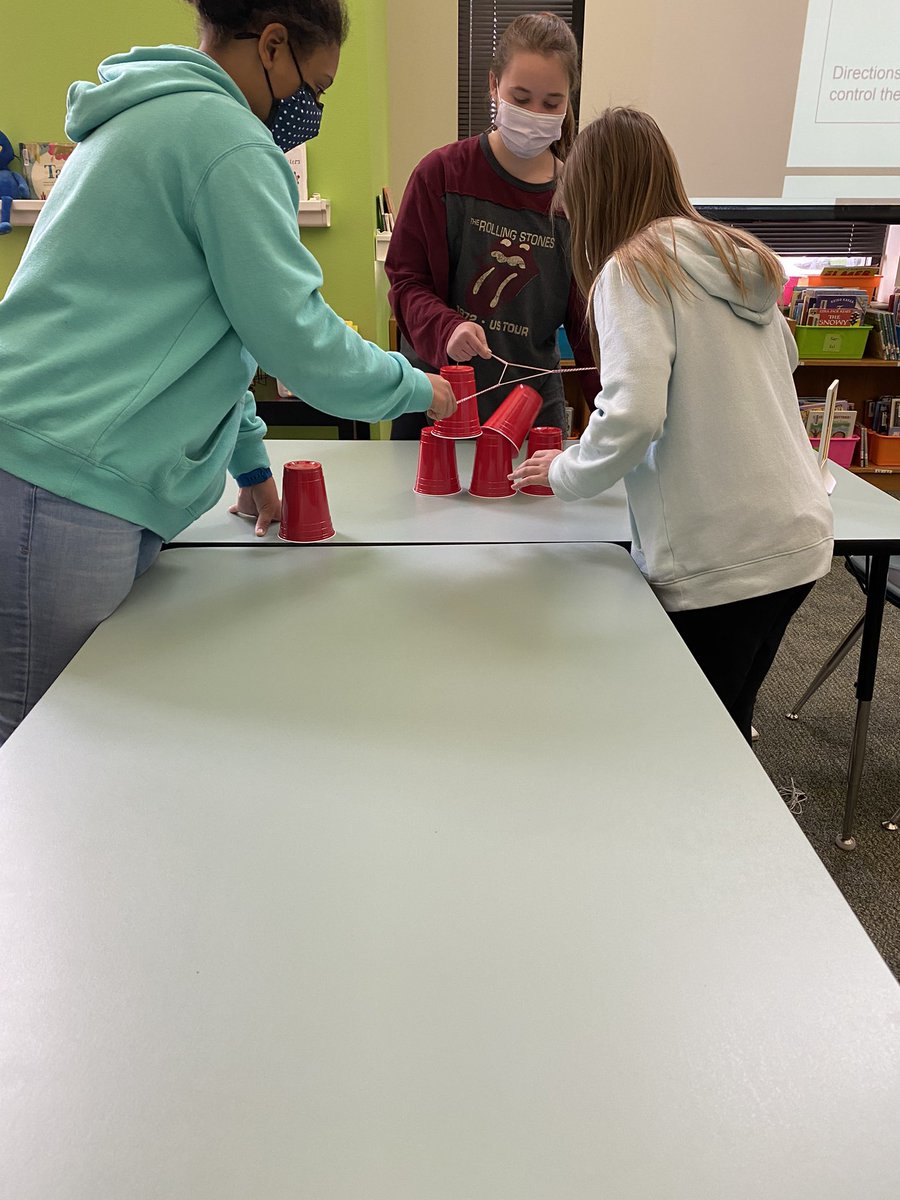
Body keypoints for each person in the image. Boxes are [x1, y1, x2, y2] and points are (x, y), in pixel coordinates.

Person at [0, 0, 456, 749]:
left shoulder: (143, 115)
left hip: (47, 457)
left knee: (68, 739)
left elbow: (204, 324)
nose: (314, 112)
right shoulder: (230, 143)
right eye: (319, 88)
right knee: (44, 748)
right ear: (272, 46)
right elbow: (295, 340)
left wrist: (248, 461)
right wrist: (416, 385)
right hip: (64, 480)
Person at [512, 107, 834, 743]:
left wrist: (566, 471)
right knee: (726, 727)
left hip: (723, 557)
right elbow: (788, 361)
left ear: (596, 195)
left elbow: (634, 413)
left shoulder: (633, 269)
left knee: (686, 740)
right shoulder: (730, 256)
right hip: (798, 538)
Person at [384, 10, 598, 440]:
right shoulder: (442, 175)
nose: (535, 113)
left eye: (551, 103)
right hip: (439, 405)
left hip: (531, 419)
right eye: (520, 98)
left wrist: (617, 411)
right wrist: (448, 327)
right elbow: (406, 283)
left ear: (568, 102)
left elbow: (588, 325)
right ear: (493, 85)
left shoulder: (577, 200)